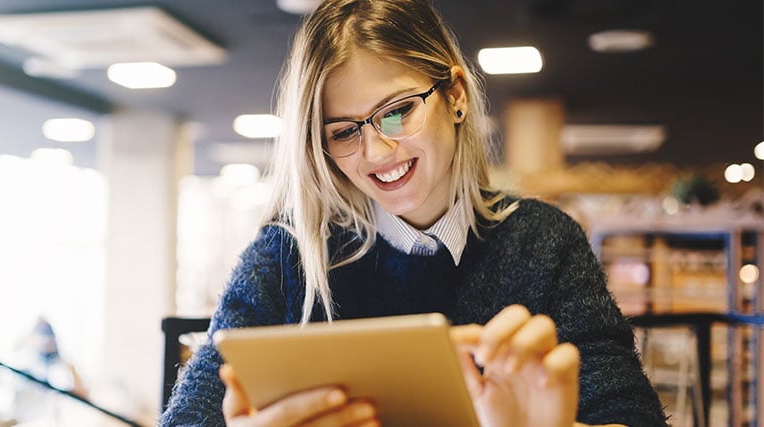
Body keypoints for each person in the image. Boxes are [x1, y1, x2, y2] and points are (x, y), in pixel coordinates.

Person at [161, 0, 668, 426]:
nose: (378, 153)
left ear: (455, 96)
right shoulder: (287, 254)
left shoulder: (543, 243)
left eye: (398, 110)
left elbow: (630, 413)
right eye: (343, 131)